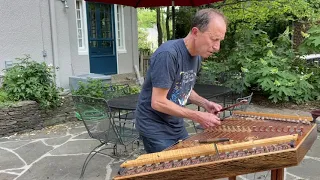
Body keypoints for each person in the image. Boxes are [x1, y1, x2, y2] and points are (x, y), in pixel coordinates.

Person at [135, 8, 227, 153]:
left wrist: (205, 104)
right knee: (169, 171)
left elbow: (183, 87)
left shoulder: (196, 57)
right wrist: (198, 116)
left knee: (188, 165)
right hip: (154, 127)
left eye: (220, 41)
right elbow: (158, 102)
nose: (217, 47)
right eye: (214, 39)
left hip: (175, 125)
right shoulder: (168, 55)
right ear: (196, 32)